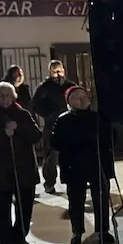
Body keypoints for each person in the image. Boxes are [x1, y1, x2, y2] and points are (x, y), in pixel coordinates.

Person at [51, 85, 115, 244]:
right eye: (77, 97)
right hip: (74, 165)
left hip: (97, 163)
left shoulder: (98, 117)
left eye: (84, 97)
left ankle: (103, 230)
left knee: (100, 198)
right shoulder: (63, 119)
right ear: (69, 101)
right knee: (76, 200)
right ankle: (77, 231)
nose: (82, 100)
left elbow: (111, 139)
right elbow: (55, 142)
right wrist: (76, 141)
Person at [0, 82, 42, 244]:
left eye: (7, 95)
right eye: (1, 95)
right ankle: (5, 241)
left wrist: (18, 128)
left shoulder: (23, 114)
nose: (4, 98)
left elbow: (36, 136)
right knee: (1, 208)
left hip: (23, 169)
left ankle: (19, 238)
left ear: (13, 96)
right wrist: (3, 132)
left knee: (24, 207)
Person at [31, 60, 77, 194]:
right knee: (51, 155)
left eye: (59, 71)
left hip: (69, 124)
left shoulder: (69, 85)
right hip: (52, 124)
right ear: (50, 72)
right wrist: (48, 112)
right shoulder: (44, 87)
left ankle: (73, 179)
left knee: (72, 154)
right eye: (54, 71)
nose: (57, 74)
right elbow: (35, 104)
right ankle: (49, 182)